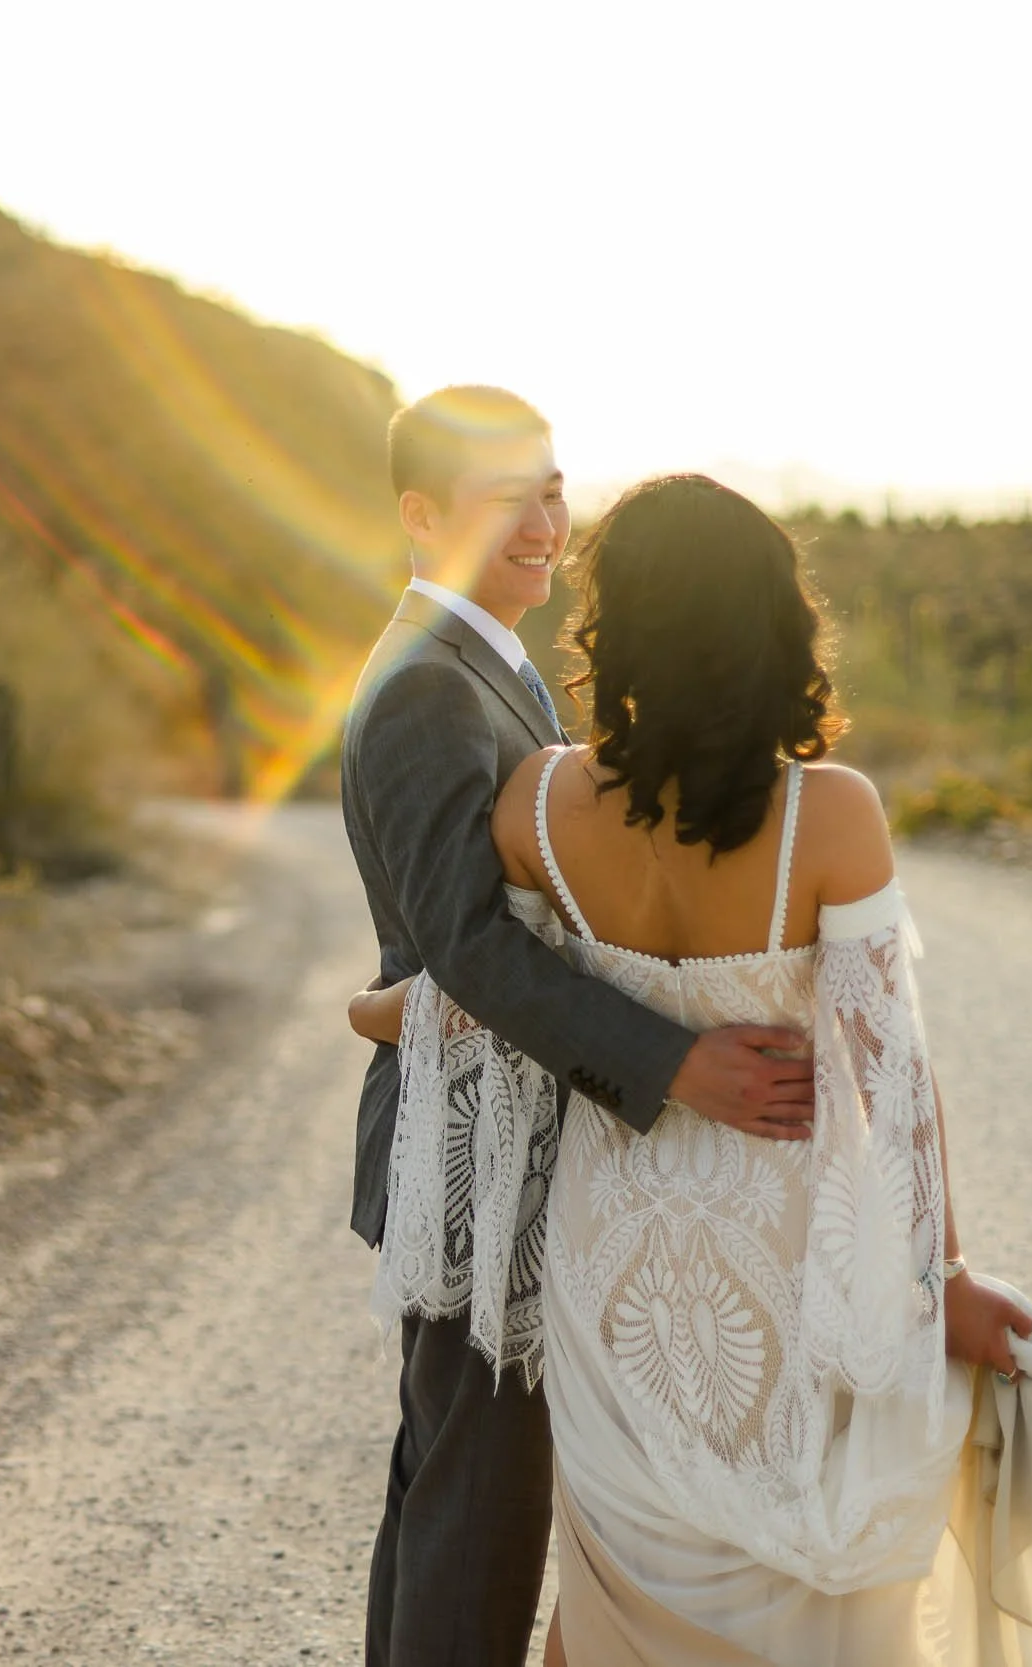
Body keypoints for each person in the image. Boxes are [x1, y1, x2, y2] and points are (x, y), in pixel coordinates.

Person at [351, 474, 1032, 1665]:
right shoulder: (832, 814)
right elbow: (893, 1080)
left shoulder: (539, 803)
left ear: (615, 632)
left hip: (607, 1264)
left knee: (617, 1582)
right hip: (779, 1254)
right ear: (777, 625)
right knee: (783, 1583)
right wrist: (943, 1279)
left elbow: (491, 990)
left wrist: (375, 1009)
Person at [339, 390, 822, 1667]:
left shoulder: (486, 666)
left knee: (449, 1492)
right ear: (420, 513)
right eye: (507, 497)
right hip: (470, 1158)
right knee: (479, 1509)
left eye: (552, 489)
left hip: (512, 1133)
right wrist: (673, 1063)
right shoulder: (421, 692)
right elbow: (470, 943)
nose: (544, 522)